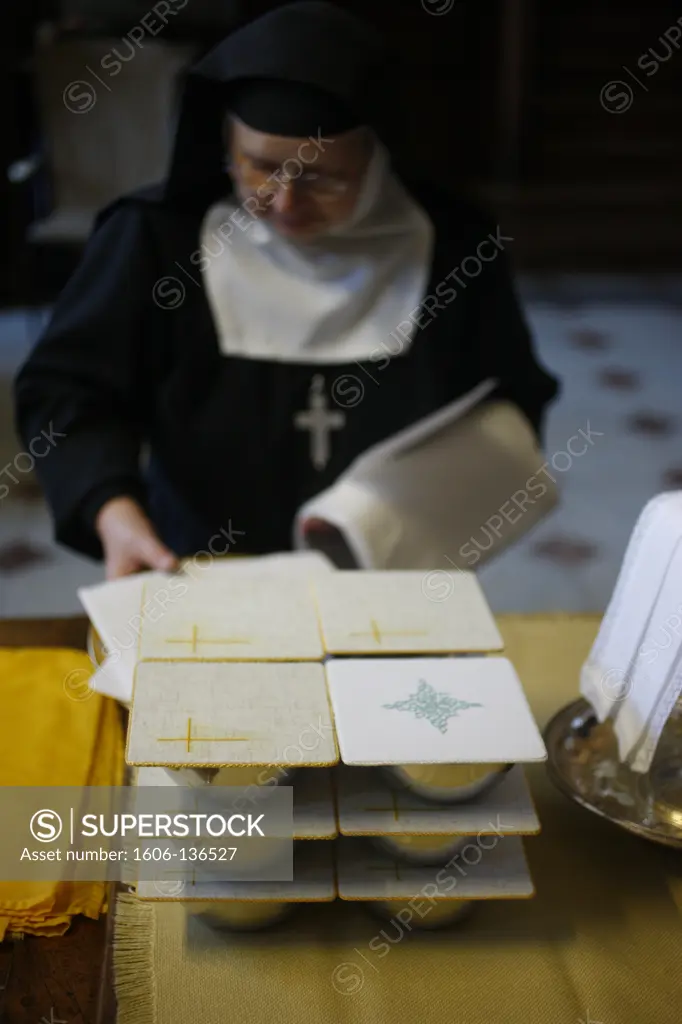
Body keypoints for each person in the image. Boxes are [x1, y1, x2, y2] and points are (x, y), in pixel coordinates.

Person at [14, 1, 559, 580]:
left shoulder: (456, 245)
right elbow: (66, 391)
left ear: (376, 156)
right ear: (226, 144)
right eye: (259, 166)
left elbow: (510, 402)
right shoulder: (155, 239)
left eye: (323, 177)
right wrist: (110, 506)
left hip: (394, 569)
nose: (285, 202)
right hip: (196, 560)